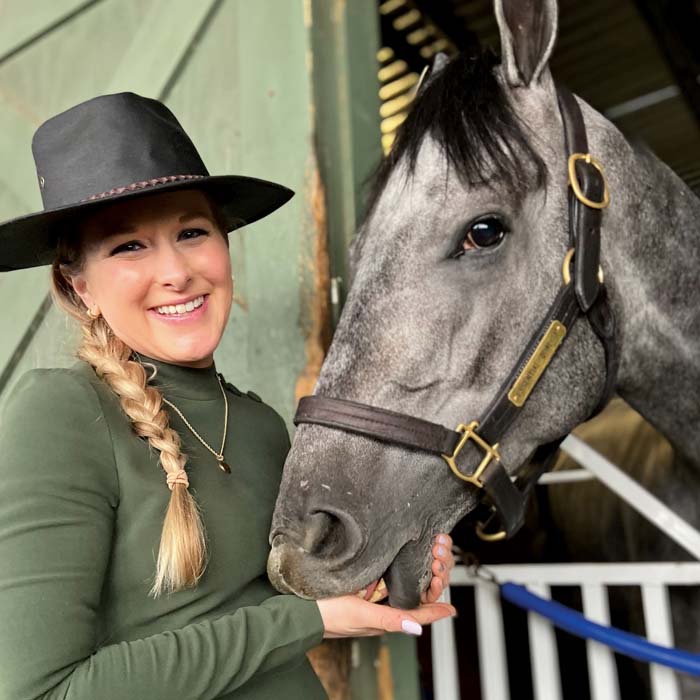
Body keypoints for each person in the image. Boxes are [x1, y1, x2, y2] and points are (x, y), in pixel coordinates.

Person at [0, 92, 456, 700]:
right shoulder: (61, 414)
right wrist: (307, 621)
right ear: (77, 285)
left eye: (192, 231)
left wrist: (396, 574)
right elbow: (38, 691)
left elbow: (269, 616)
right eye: (128, 245)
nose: (176, 271)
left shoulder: (260, 424)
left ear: (224, 244)